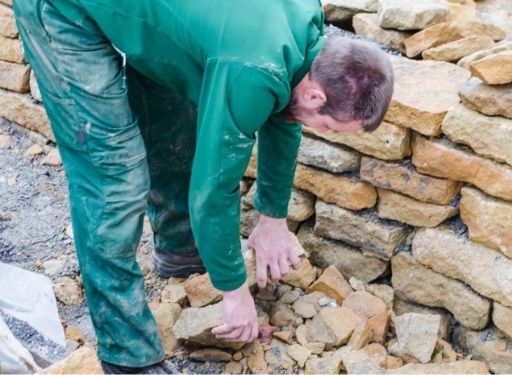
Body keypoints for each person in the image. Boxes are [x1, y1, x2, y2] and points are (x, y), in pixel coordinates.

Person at [12, 0, 394, 373]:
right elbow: (213, 191)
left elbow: (285, 113)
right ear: (317, 94)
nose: (319, 130)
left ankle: (179, 250)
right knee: (114, 177)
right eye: (326, 126)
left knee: (178, 110)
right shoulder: (252, 67)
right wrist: (233, 290)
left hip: (154, 20)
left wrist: (273, 217)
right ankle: (126, 353)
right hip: (63, 12)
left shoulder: (307, 25)